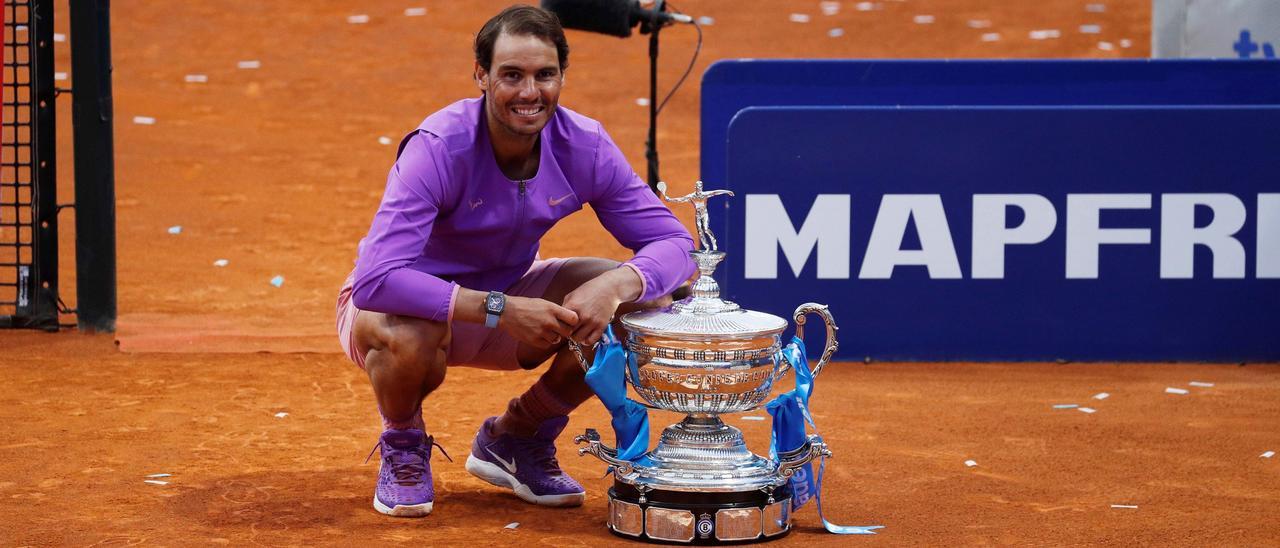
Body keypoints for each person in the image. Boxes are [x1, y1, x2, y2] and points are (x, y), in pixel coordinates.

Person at [335, 4, 696, 517]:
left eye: (545, 75)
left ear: (562, 76)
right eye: (512, 75)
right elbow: (376, 281)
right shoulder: (439, 148)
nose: (530, 93)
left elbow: (677, 246)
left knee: (644, 302)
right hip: (405, 311)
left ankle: (518, 435)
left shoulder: (584, 145)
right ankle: (404, 441)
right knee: (408, 337)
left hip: (510, 300)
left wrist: (620, 282)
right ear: (481, 75)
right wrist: (501, 308)